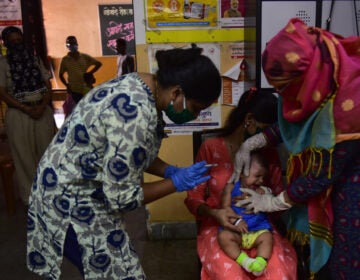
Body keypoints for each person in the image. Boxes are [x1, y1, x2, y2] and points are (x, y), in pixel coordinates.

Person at [26, 44, 222, 280]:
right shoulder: (136, 113)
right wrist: (176, 183)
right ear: (177, 92)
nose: (196, 116)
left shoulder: (143, 83)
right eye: (195, 108)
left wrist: (169, 170)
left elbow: (133, 154)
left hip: (75, 185)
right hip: (68, 201)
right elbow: (121, 197)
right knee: (120, 274)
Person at [232, 18, 360, 280]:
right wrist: (253, 142)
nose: (283, 98)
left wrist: (273, 201)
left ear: (308, 78)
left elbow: (320, 175)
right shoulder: (317, 84)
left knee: (345, 257)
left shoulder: (350, 106)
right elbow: (292, 122)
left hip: (350, 184)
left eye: (284, 89)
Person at [185, 88, 297, 280]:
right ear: (249, 120)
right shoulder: (210, 149)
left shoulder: (268, 154)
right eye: (268, 130)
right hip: (221, 227)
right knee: (231, 274)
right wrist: (215, 213)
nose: (270, 138)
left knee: (279, 272)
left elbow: (279, 203)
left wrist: (267, 199)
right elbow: (193, 199)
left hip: (261, 227)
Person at [0, 26, 55, 207]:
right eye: (12, 41)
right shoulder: (3, 63)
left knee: (47, 155)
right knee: (24, 158)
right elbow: (2, 91)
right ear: (6, 43)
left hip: (41, 111)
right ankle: (31, 200)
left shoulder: (34, 60)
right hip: (18, 114)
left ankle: (50, 196)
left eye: (19, 40)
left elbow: (47, 84)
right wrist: (23, 107)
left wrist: (41, 105)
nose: (17, 44)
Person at [218, 151, 273, 276]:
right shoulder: (231, 187)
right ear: (242, 172)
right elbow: (225, 208)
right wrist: (237, 221)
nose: (261, 180)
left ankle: (260, 263)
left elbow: (272, 199)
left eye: (263, 177)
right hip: (236, 231)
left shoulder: (262, 190)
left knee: (267, 237)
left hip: (258, 230)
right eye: (257, 176)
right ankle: (245, 261)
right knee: (224, 237)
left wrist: (265, 194)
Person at [59, 35, 102, 104]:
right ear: (67, 46)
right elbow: (60, 75)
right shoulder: (65, 60)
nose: (72, 45)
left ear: (77, 44)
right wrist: (67, 85)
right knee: (77, 109)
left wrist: (90, 73)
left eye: (74, 43)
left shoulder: (84, 57)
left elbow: (99, 64)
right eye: (70, 44)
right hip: (74, 90)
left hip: (86, 89)